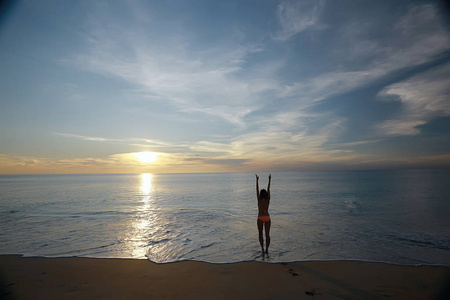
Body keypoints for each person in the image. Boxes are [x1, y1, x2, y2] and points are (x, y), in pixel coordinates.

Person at [255, 174, 271, 254]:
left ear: (261, 194)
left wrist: (257, 180)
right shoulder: (268, 199)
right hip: (267, 217)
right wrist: (269, 180)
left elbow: (257, 189)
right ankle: (267, 249)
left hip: (260, 217)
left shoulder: (259, 199)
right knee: (267, 235)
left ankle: (262, 249)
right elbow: (268, 188)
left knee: (260, 234)